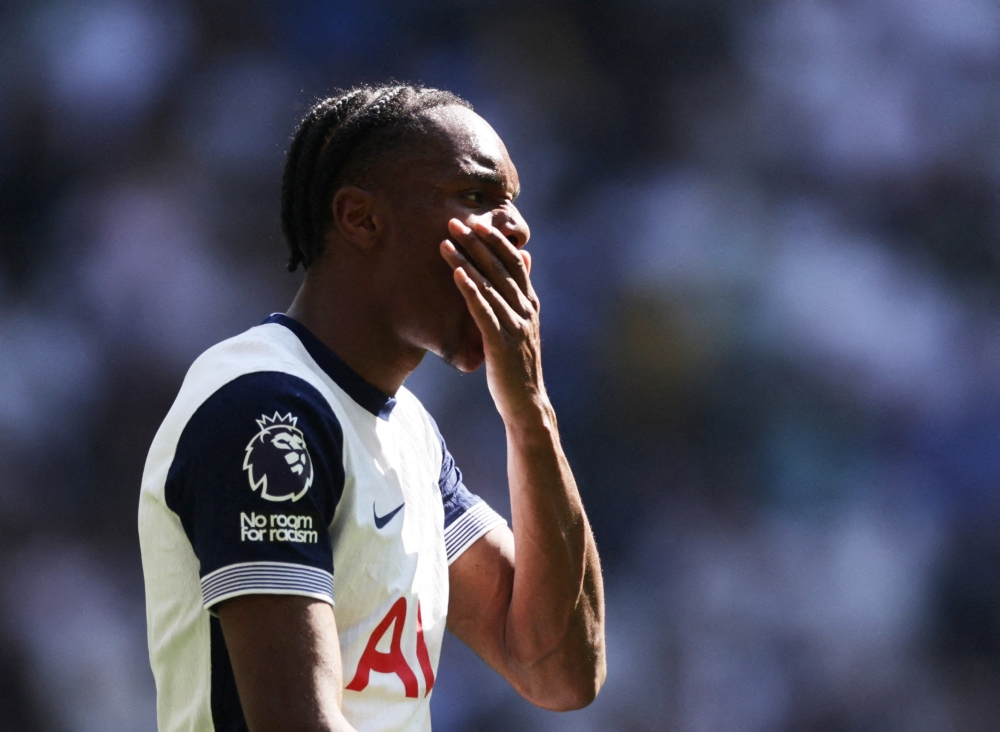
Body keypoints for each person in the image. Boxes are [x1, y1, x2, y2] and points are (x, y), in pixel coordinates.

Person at [138, 83, 606, 732]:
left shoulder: (408, 431)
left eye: (514, 203)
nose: (517, 228)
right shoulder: (268, 411)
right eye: (476, 196)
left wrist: (530, 415)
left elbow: (560, 669)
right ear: (361, 218)